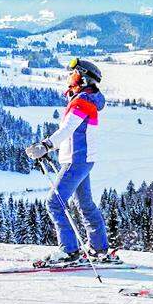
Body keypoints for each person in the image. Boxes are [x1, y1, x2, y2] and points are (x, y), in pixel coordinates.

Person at [26, 58, 116, 266]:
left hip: (76, 160)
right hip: (83, 159)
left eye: (72, 74)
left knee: (54, 203)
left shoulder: (82, 101)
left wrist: (46, 146)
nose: (68, 77)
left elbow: (67, 130)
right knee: (85, 204)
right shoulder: (88, 99)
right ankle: (99, 248)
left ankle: (69, 250)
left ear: (82, 78)